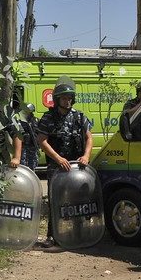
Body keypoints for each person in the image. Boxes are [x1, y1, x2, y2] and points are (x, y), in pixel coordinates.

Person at [36, 78, 94, 246]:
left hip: (76, 166)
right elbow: (42, 141)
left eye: (69, 98)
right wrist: (58, 159)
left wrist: (86, 156)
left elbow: (89, 137)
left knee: (79, 199)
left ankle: (78, 232)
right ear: (57, 99)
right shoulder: (48, 118)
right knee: (56, 199)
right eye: (63, 98)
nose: (67, 101)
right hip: (56, 166)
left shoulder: (79, 116)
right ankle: (52, 236)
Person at [9, 101, 39, 170]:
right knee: (21, 169)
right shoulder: (18, 121)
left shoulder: (34, 120)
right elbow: (17, 135)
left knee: (31, 169)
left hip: (32, 149)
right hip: (23, 149)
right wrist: (16, 157)